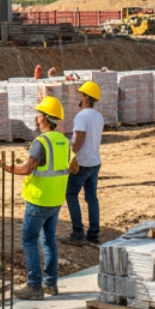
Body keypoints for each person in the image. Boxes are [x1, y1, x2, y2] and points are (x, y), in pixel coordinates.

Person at [3, 96, 71, 300]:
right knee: (49, 240)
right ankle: (50, 284)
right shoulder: (64, 141)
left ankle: (34, 286)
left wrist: (6, 167)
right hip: (56, 199)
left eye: (39, 114)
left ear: (46, 118)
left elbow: (26, 169)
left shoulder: (41, 142)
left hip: (39, 200)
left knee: (29, 240)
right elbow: (70, 166)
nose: (36, 117)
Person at [62, 80, 104, 245]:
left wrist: (71, 150)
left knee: (71, 194)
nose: (79, 98)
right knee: (91, 197)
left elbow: (78, 141)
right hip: (95, 161)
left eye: (81, 95)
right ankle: (93, 234)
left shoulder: (81, 116)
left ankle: (77, 233)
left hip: (83, 163)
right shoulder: (98, 116)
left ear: (86, 97)